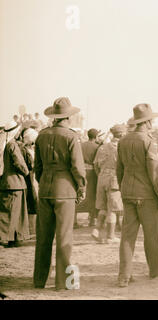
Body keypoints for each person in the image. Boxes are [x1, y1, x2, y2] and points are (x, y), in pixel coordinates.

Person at [33, 97, 86, 290]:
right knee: (64, 238)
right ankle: (63, 283)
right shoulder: (71, 137)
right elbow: (78, 168)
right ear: (69, 117)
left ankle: (39, 280)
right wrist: (81, 187)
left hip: (45, 189)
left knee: (43, 238)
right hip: (65, 191)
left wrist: (44, 182)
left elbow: (37, 167)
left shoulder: (42, 135)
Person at [116, 103, 158, 287]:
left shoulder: (123, 140)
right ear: (147, 121)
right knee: (151, 234)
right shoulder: (149, 141)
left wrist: (124, 189)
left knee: (127, 236)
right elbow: (153, 172)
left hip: (128, 193)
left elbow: (119, 170)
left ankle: (124, 276)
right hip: (146, 195)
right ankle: (154, 270)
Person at [91, 124, 127, 244]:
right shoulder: (121, 147)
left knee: (103, 207)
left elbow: (95, 165)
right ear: (121, 134)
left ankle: (96, 230)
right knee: (112, 209)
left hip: (101, 177)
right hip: (114, 178)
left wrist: (101, 175)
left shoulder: (102, 147)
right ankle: (110, 236)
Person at [0, 121, 30, 248]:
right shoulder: (12, 145)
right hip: (15, 183)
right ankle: (4, 238)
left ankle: (14, 238)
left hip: (9, 183)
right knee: (10, 212)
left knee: (14, 212)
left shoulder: (6, 144)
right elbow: (19, 163)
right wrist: (26, 172)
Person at [18, 128, 39, 237]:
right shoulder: (25, 150)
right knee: (32, 201)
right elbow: (29, 165)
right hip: (29, 177)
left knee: (32, 201)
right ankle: (31, 229)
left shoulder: (25, 149)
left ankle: (31, 228)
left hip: (30, 177)